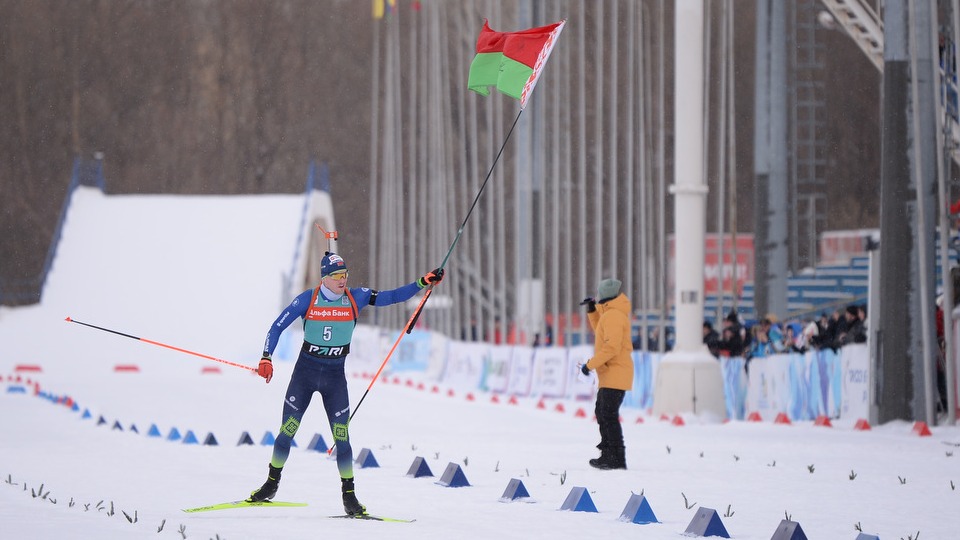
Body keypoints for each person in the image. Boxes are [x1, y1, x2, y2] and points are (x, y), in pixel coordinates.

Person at [247, 251, 444, 515]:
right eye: (337, 276)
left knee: (342, 439)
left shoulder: (356, 296)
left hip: (334, 378)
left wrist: (422, 282)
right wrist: (266, 357)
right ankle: (271, 484)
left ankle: (349, 496)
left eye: (345, 275)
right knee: (287, 432)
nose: (343, 280)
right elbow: (276, 327)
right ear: (325, 278)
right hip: (304, 375)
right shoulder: (308, 298)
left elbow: (392, 296)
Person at [579, 278, 634, 470]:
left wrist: (589, 365)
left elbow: (611, 347)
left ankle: (615, 457)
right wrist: (592, 311)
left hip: (615, 373)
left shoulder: (614, 316)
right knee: (603, 413)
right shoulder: (610, 314)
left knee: (607, 414)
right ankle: (609, 454)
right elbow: (601, 332)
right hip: (611, 374)